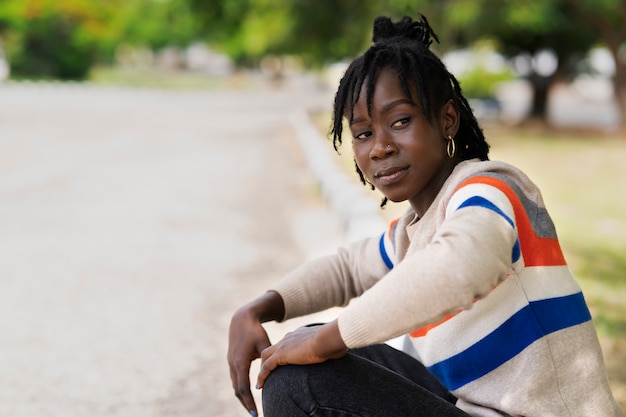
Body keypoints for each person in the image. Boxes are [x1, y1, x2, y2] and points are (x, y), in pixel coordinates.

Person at [227, 14, 623, 417]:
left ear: (447, 120)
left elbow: (459, 266)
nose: (379, 147)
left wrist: (331, 338)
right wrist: (259, 309)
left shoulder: (491, 190)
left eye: (400, 121)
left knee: (302, 380)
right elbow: (346, 269)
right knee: (301, 350)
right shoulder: (414, 231)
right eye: (363, 134)